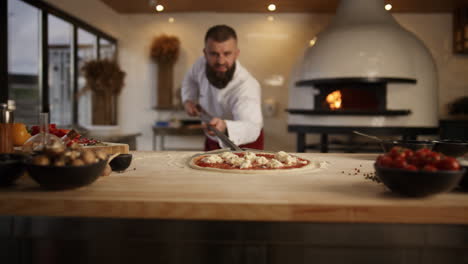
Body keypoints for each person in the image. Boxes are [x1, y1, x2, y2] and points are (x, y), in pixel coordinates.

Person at [181, 25, 264, 151]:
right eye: (214, 54)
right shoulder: (200, 64)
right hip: (213, 136)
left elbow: (252, 127)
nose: (220, 61)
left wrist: (225, 126)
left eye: (227, 54)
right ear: (205, 53)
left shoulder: (247, 85)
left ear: (236, 54)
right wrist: (188, 99)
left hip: (244, 142)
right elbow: (190, 79)